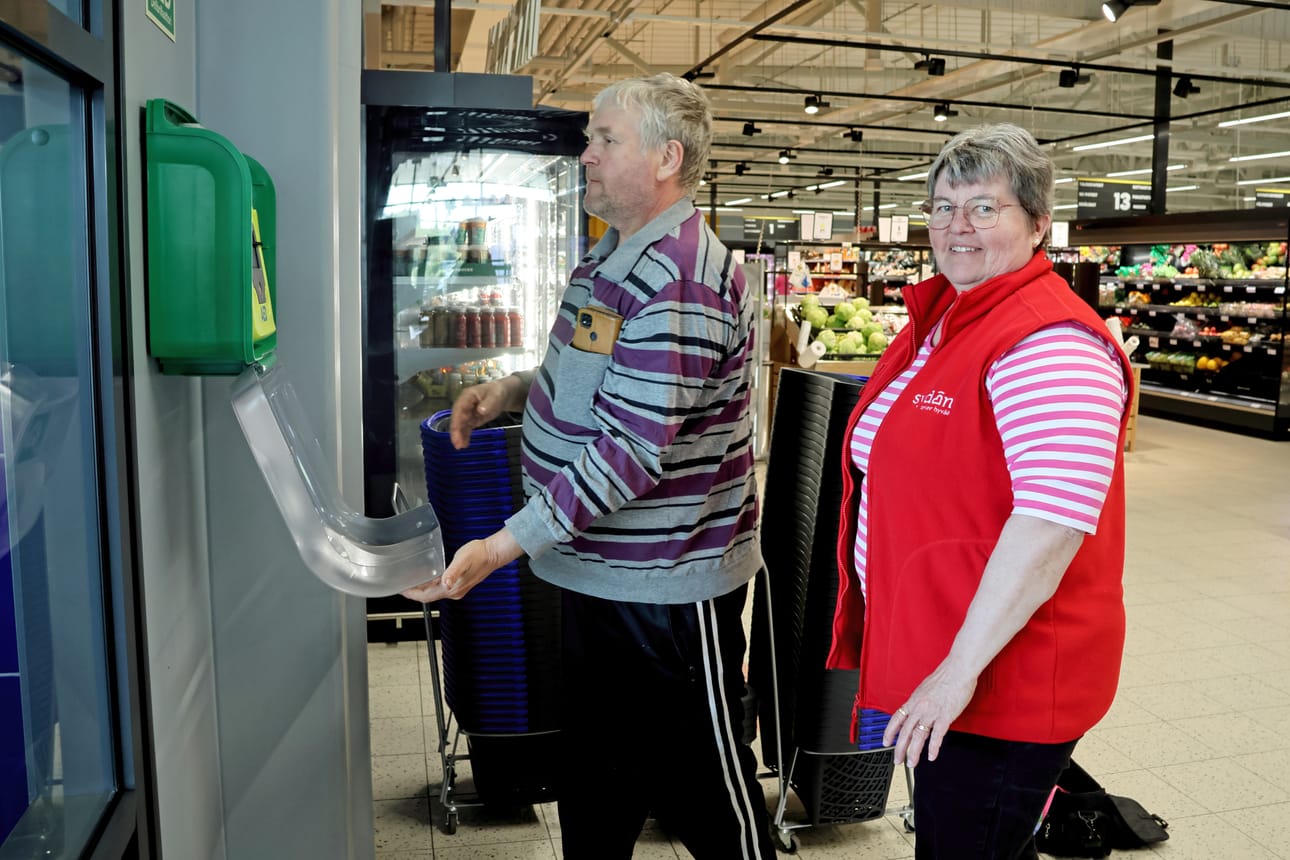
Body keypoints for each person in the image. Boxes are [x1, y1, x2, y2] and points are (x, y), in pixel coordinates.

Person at [401, 72, 774, 859]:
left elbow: (632, 449)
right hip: (598, 572)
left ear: (666, 157)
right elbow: (603, 378)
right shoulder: (616, 255)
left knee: (708, 790)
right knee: (599, 777)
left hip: (669, 592)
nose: (586, 153)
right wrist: (512, 389)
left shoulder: (678, 280)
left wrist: (507, 543)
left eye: (606, 139)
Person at [825, 123, 1134, 860]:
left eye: (983, 208)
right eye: (941, 207)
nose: (956, 227)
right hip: (955, 662)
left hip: (1000, 683)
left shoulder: (1048, 342)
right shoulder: (950, 320)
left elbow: (1053, 524)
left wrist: (952, 677)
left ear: (1037, 223)